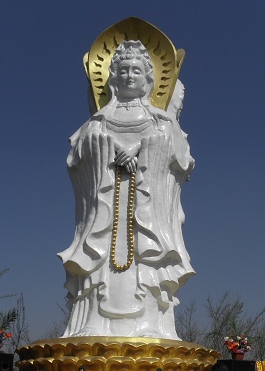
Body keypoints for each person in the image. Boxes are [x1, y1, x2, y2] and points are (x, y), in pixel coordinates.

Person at [59, 40, 195, 339]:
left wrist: (142, 151)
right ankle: (92, 321)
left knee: (145, 260)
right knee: (99, 260)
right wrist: (108, 151)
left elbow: (180, 159)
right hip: (105, 208)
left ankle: (151, 323)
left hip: (146, 212)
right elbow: (79, 154)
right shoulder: (98, 120)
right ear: (113, 78)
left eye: (136, 70)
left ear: (148, 79)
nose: (129, 76)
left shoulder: (159, 120)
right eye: (123, 70)